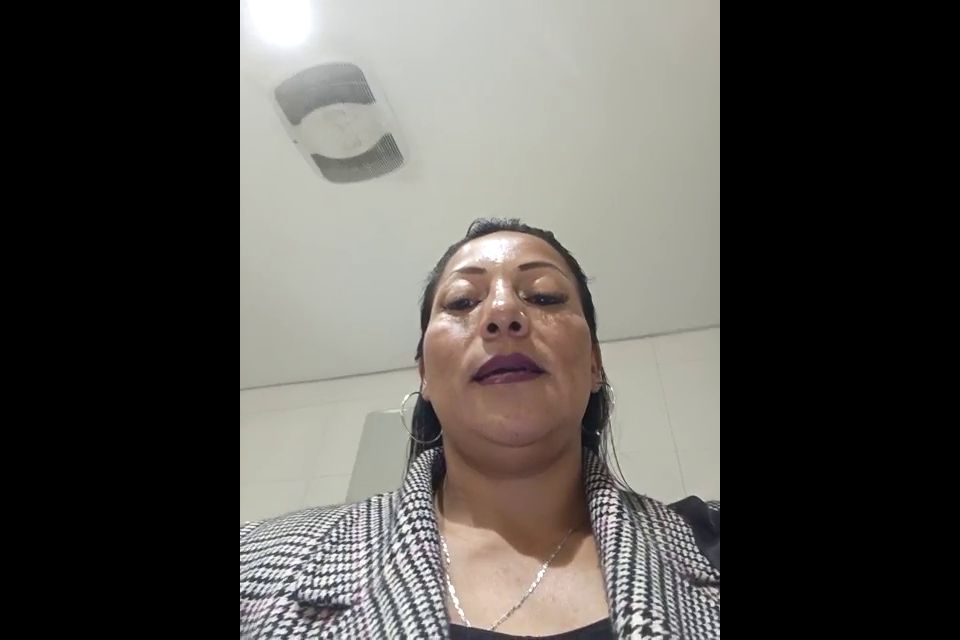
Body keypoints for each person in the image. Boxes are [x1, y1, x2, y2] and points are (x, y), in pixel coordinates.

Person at [240, 219, 720, 639]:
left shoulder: (708, 540)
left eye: (544, 296)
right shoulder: (256, 564)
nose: (502, 313)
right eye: (463, 301)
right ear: (424, 376)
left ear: (595, 364)